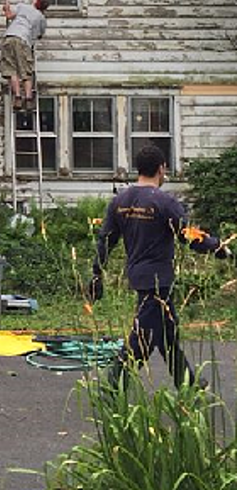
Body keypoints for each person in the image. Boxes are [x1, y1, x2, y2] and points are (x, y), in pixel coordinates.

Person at [89, 144, 232, 390]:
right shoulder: (165, 202)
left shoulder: (119, 201)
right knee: (141, 339)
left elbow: (106, 240)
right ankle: (114, 384)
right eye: (165, 170)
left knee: (167, 335)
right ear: (161, 168)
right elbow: (188, 235)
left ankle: (188, 383)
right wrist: (217, 247)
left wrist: (96, 274)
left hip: (138, 275)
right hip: (158, 280)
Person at [0, 0, 48, 112]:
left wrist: (6, 8)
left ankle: (17, 97)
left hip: (9, 38)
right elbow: (40, 35)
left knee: (12, 70)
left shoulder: (23, 7)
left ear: (36, 2)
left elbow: (9, 15)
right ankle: (28, 99)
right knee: (26, 70)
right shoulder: (41, 18)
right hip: (23, 41)